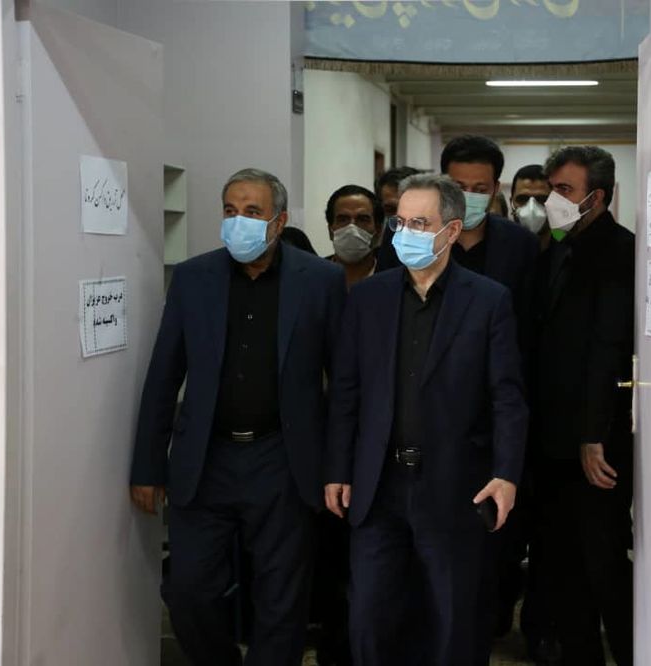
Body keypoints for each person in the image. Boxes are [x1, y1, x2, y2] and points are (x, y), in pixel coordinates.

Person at [129, 168, 345, 666]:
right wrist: (147, 466)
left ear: (279, 221)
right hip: (207, 458)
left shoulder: (321, 280)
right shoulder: (193, 278)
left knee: (281, 598)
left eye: (252, 212)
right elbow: (164, 374)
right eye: (230, 210)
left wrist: (337, 467)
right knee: (188, 590)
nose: (238, 221)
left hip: (283, 459)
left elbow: (343, 382)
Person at [325, 173, 528, 666]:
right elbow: (347, 390)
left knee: (451, 619)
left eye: (420, 223)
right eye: (400, 222)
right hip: (379, 484)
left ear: (452, 230)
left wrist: (506, 473)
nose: (406, 233)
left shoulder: (488, 300)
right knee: (369, 618)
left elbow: (507, 395)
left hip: (454, 484)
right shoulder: (368, 298)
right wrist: (338, 468)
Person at [532, 146, 635, 665]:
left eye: (563, 190)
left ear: (597, 197)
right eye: (551, 188)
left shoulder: (620, 251)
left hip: (596, 443)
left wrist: (593, 436)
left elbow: (607, 346)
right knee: (561, 566)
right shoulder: (555, 246)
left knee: (604, 563)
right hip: (551, 439)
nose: (552, 200)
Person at [376, 135, 538, 344]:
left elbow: (525, 325)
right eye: (459, 187)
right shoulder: (405, 233)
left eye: (480, 190)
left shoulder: (521, 244)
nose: (467, 197)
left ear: (496, 189)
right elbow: (383, 303)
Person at [325, 184, 383, 288]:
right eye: (343, 219)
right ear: (330, 231)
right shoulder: (311, 278)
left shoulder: (397, 281)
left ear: (378, 231)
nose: (352, 228)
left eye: (362, 219)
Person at [510, 164, 553, 247]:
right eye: (522, 199)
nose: (532, 208)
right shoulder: (497, 248)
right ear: (511, 203)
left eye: (541, 199)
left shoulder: (571, 247)